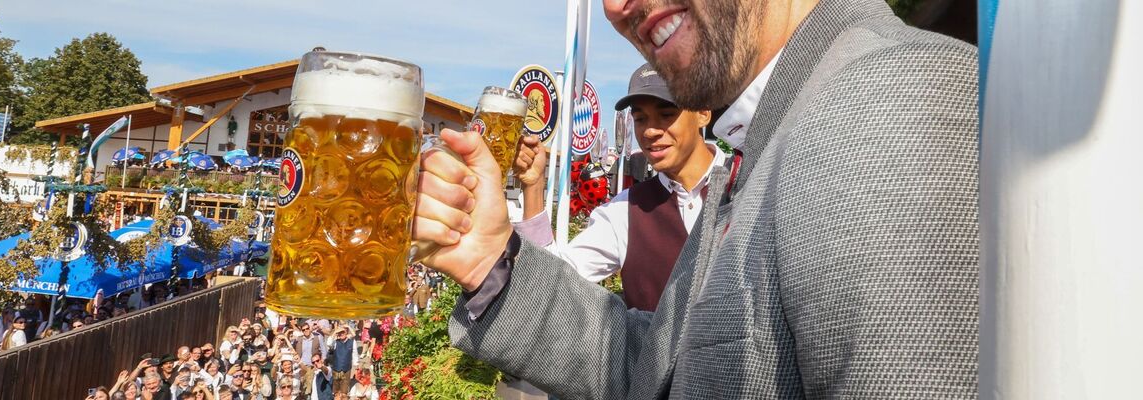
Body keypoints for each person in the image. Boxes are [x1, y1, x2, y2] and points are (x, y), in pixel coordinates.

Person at [411, 0, 979, 397]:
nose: (613, 6)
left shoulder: (884, 98)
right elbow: (661, 369)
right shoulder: (770, 130)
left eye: (663, 114)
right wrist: (492, 262)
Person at [513, 63, 720, 312]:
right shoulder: (626, 210)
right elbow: (549, 285)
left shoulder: (751, 177)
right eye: (641, 119)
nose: (651, 131)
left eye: (667, 114)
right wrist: (534, 188)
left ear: (703, 113)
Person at [326, 326, 356, 398]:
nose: (341, 334)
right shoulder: (335, 342)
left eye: (343, 332)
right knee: (336, 391)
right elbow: (329, 344)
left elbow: (355, 353)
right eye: (339, 333)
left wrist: (356, 365)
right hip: (336, 369)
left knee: (344, 392)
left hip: (347, 369)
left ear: (346, 333)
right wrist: (335, 333)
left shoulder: (352, 342)